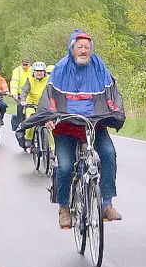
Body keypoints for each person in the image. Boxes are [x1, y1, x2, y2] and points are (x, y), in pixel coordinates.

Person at [38, 29, 125, 227]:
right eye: (80, 47)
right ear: (72, 48)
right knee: (66, 166)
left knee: (109, 154)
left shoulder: (98, 66)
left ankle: (106, 204)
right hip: (66, 127)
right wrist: (50, 117)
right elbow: (50, 96)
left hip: (94, 125)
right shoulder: (61, 68)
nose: (83, 51)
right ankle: (64, 208)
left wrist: (115, 111)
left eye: (87, 47)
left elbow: (112, 93)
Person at [17, 61, 50, 149]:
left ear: (44, 72)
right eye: (37, 71)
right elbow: (24, 91)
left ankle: (50, 150)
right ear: (33, 72)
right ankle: (28, 138)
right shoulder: (30, 79)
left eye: (41, 71)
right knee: (31, 119)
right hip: (31, 105)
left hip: (44, 105)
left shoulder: (49, 80)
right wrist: (23, 100)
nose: (39, 73)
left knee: (50, 125)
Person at [10, 57, 31, 133]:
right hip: (19, 93)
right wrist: (14, 93)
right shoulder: (17, 71)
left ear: (29, 64)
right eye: (23, 65)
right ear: (21, 64)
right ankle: (20, 123)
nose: (25, 66)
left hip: (29, 94)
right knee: (20, 106)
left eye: (26, 65)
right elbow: (14, 82)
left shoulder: (32, 70)